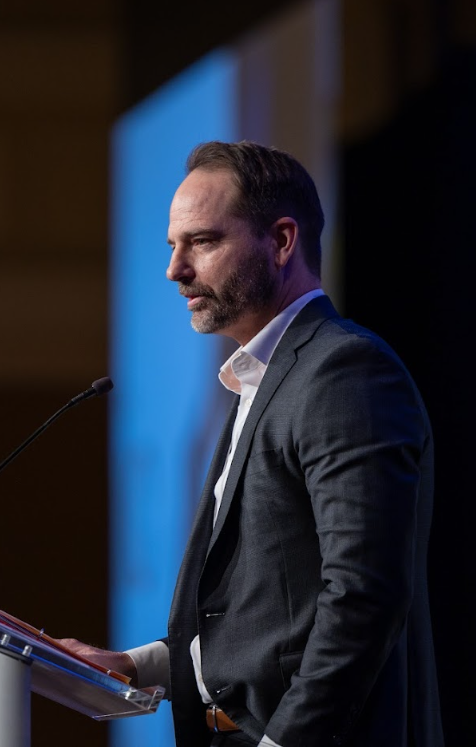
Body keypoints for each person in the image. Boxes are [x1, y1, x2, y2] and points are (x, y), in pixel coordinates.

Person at [62, 141, 443, 746]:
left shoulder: (345, 372)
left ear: (282, 241)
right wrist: (136, 666)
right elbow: (263, 614)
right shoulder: (258, 381)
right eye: (172, 246)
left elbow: (364, 597)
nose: (175, 269)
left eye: (202, 242)